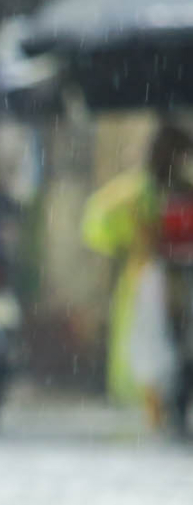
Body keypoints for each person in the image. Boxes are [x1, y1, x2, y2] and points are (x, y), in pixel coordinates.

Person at [83, 119, 193, 433]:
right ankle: (157, 408)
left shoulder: (181, 188)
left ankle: (169, 404)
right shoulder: (138, 189)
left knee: (170, 343)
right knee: (152, 342)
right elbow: (98, 221)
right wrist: (131, 241)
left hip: (180, 275)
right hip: (152, 278)